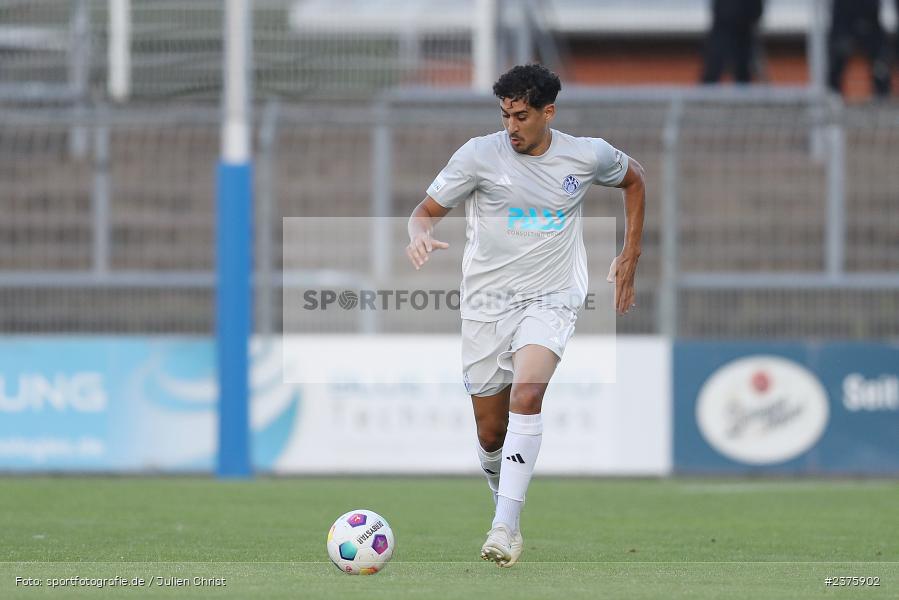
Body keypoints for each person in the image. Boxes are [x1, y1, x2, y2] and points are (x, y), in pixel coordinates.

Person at [405, 64, 645, 567]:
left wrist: (630, 253)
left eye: (521, 116)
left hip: (551, 297)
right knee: (490, 433)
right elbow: (423, 212)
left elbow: (635, 179)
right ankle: (504, 504)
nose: (511, 126)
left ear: (547, 112)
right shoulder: (478, 155)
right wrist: (419, 234)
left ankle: (504, 527)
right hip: (486, 305)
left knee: (528, 393)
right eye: (505, 115)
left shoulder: (587, 155)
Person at [828, 0, 891, 98]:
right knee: (840, 49)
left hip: (869, 16)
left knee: (880, 60)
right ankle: (833, 90)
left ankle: (882, 93)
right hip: (844, 15)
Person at [700, 0, 765, 84]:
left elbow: (756, 10)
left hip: (744, 30)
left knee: (743, 70)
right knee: (714, 67)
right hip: (723, 27)